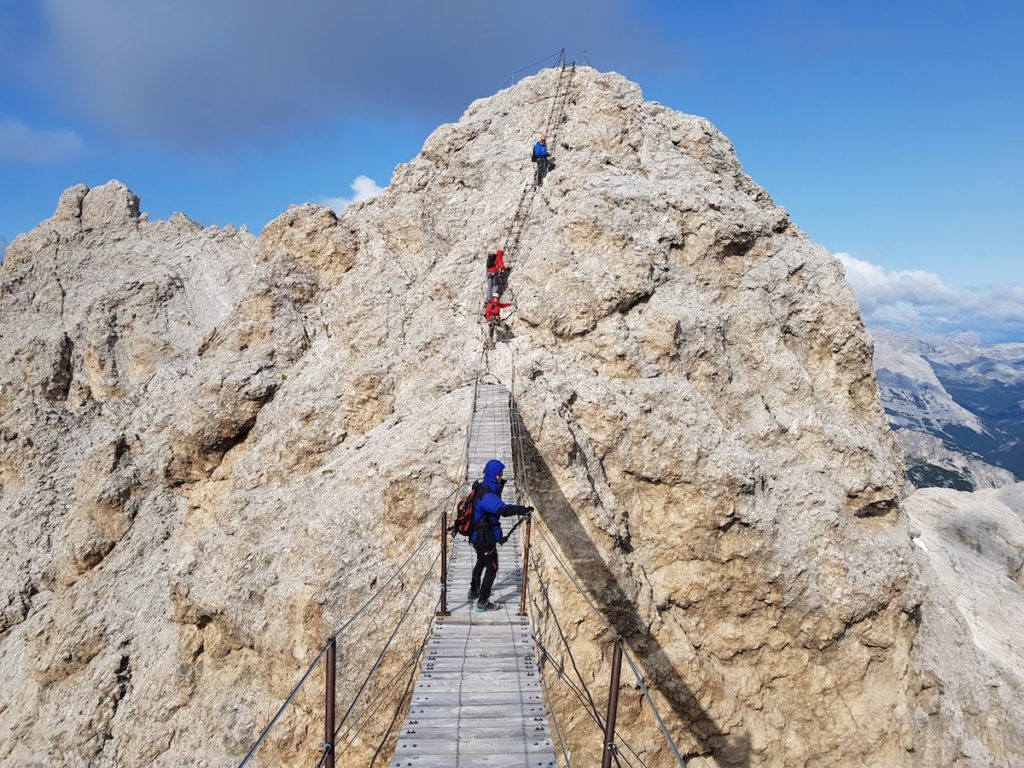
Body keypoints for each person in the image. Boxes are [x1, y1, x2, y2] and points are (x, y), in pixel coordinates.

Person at [469, 459, 533, 611]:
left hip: (478, 535)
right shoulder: (487, 495)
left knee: (481, 561)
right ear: (492, 474)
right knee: (492, 567)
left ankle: (473, 591)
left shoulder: (484, 486)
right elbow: (502, 510)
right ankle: (482, 601)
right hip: (484, 538)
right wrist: (522, 509)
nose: (501, 476)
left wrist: (500, 485)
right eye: (499, 474)